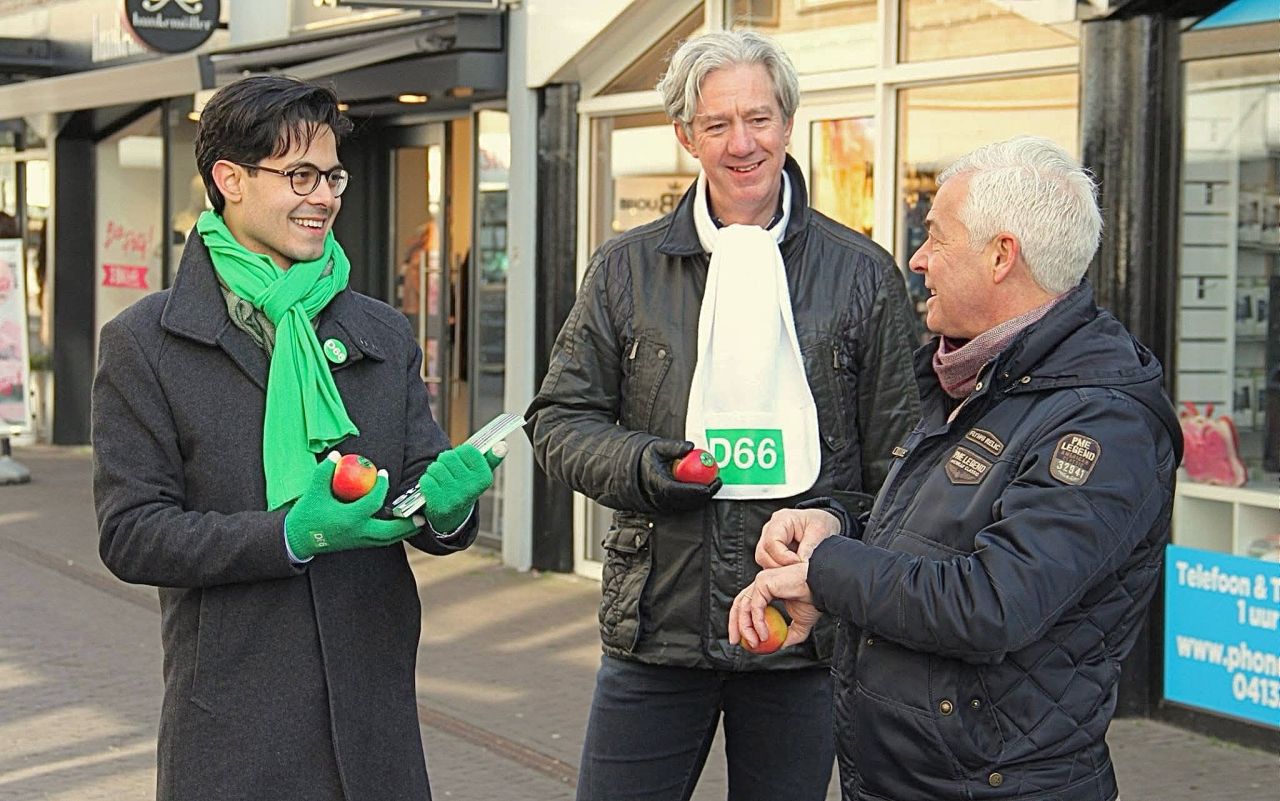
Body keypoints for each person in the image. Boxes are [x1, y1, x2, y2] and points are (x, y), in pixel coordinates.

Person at [525, 30, 920, 801]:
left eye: (760, 118)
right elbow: (559, 422)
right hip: (657, 631)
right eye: (717, 125)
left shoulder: (862, 274)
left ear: (787, 122)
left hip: (803, 641)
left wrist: (836, 524)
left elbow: (905, 463)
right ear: (685, 136)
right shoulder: (626, 268)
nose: (743, 143)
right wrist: (651, 467)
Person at [730, 136, 1183, 801]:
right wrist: (835, 525)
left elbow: (992, 600)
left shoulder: (1103, 423)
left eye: (936, 239)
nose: (917, 259)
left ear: (1002, 256)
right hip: (911, 776)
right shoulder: (966, 377)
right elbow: (929, 532)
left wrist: (826, 575)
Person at [92, 75, 499, 801]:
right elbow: (131, 534)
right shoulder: (144, 343)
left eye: (333, 174)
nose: (325, 195)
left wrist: (447, 508)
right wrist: (291, 534)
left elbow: (419, 475)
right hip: (231, 722)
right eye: (299, 175)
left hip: (373, 723)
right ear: (230, 180)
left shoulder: (379, 330)